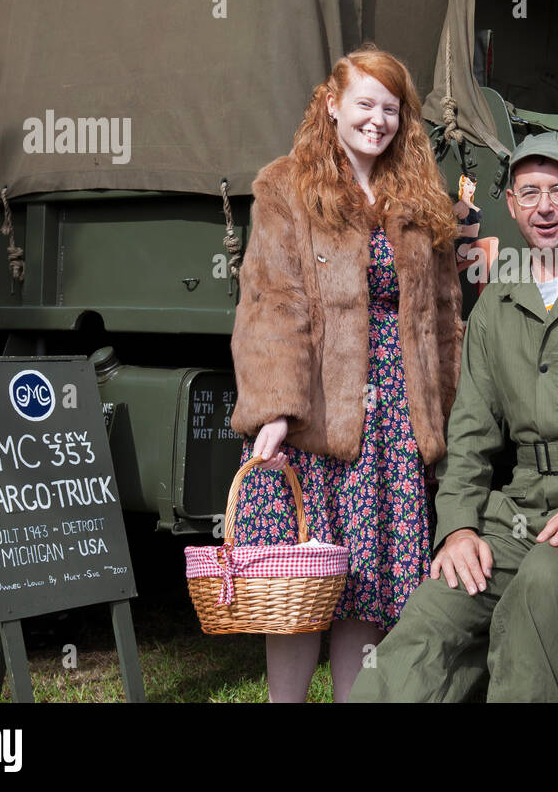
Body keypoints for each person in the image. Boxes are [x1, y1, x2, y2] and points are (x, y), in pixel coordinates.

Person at [350, 131, 558, 702]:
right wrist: (459, 528)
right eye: (529, 193)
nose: (544, 207)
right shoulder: (498, 300)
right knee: (435, 613)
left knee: (540, 590)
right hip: (516, 510)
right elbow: (470, 431)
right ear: (513, 205)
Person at [229, 45, 463, 703]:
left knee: (367, 585)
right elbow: (272, 298)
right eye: (366, 104)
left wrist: (451, 418)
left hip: (394, 417)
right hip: (316, 410)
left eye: (391, 109)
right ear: (331, 104)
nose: (379, 120)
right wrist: (277, 405)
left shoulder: (419, 197)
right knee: (304, 584)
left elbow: (444, 316)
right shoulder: (287, 185)